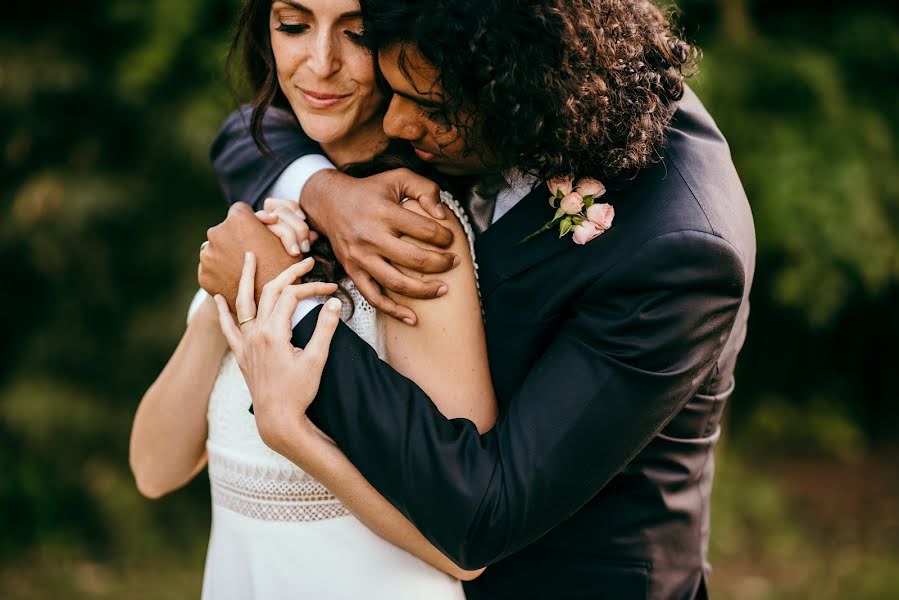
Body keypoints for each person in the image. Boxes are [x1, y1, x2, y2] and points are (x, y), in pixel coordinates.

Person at [202, 0, 757, 598]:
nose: (394, 126)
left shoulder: (680, 253)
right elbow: (252, 126)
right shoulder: (463, 67)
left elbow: (489, 512)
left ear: (523, 91)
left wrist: (288, 303)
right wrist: (325, 193)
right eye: (394, 91)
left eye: (431, 108)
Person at [129, 1, 493, 598]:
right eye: (293, 26)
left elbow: (463, 544)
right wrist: (236, 296)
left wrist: (289, 430)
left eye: (357, 34)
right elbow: (153, 468)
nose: (320, 65)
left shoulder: (415, 234)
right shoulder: (267, 205)